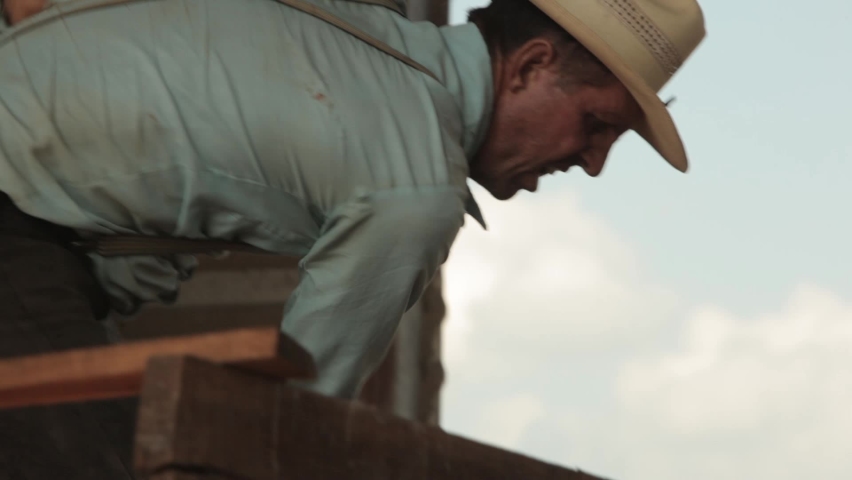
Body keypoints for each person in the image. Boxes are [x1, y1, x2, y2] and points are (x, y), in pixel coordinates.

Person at [0, 0, 706, 477]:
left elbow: (164, 166)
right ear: (529, 66)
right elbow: (288, 422)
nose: (594, 162)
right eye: (597, 124)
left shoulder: (365, 39)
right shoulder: (413, 189)